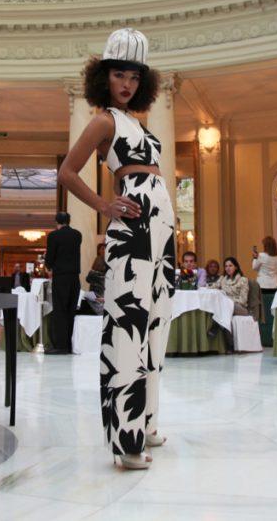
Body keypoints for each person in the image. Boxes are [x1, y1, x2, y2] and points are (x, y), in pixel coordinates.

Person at [56, 27, 174, 470]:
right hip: (133, 230)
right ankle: (126, 442)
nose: (127, 83)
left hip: (160, 230)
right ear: (102, 77)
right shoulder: (104, 120)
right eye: (119, 74)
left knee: (156, 324)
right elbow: (67, 172)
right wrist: (104, 205)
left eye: (134, 76)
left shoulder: (136, 123)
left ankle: (146, 424)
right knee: (128, 326)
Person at [45, 211, 82, 354]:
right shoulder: (77, 235)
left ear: (57, 222)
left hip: (61, 277)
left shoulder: (54, 236)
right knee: (70, 311)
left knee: (60, 311)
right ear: (69, 221)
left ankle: (61, 346)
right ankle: (69, 344)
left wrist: (48, 266)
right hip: (75, 277)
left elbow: (50, 256)